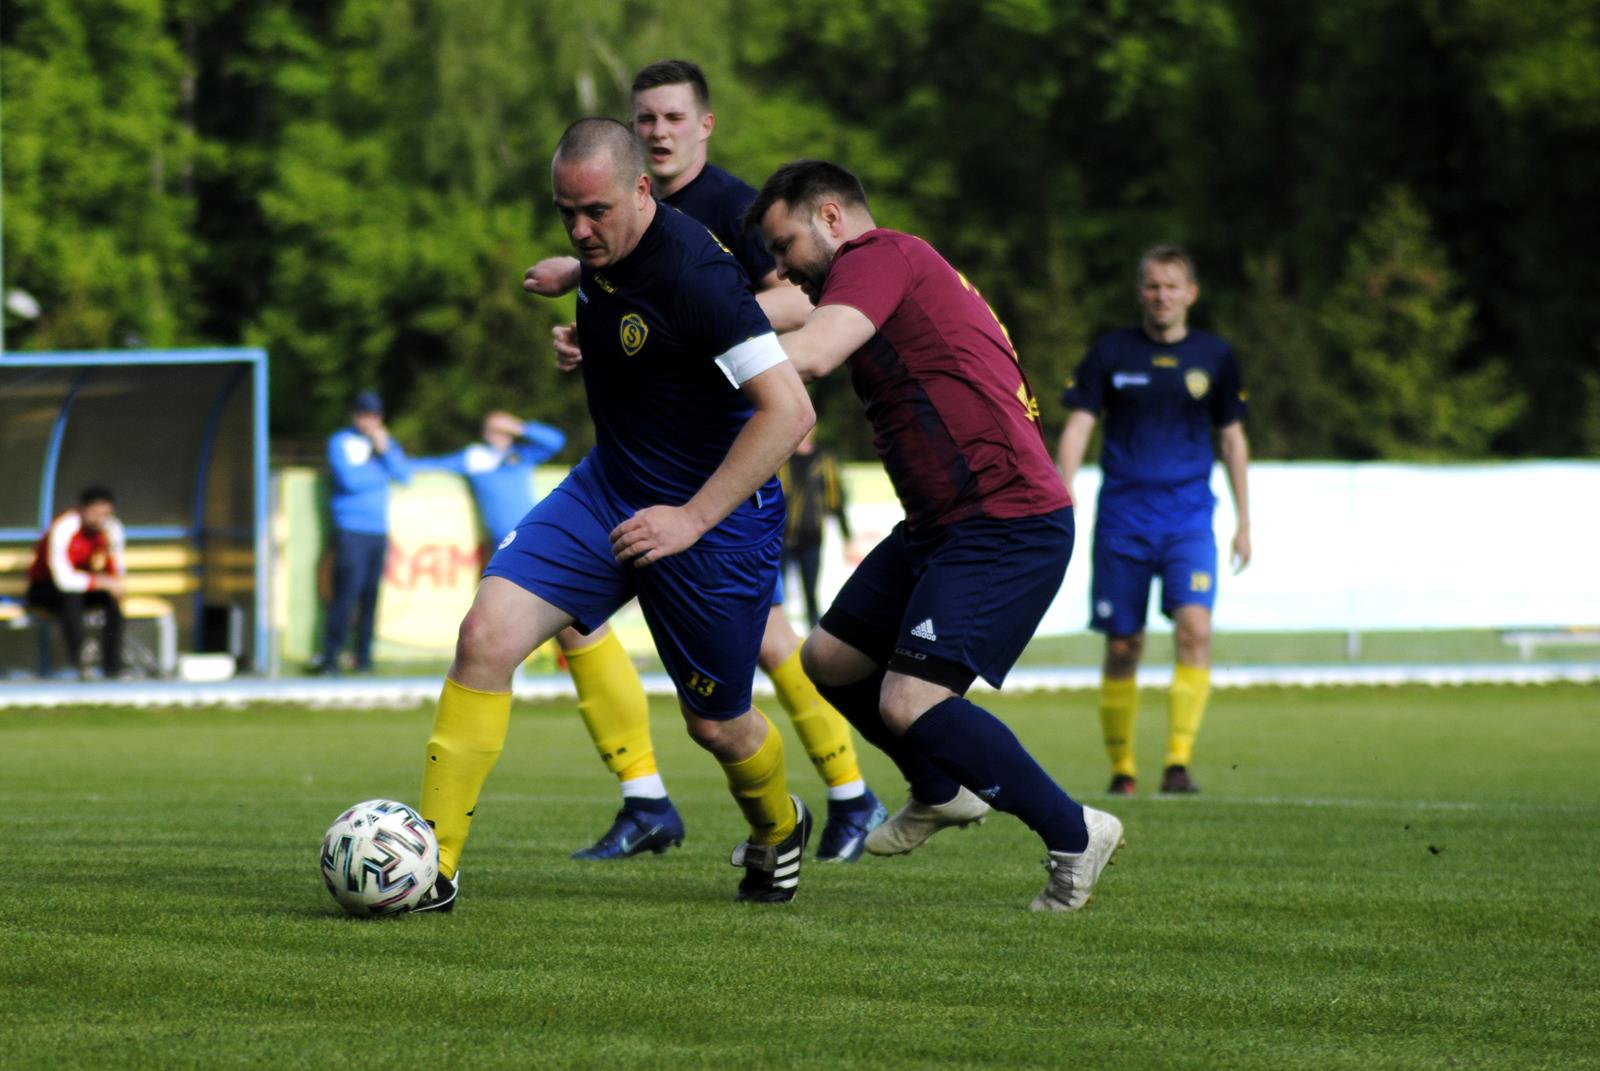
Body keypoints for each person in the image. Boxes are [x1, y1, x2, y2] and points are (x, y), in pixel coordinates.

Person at [415, 118, 815, 912]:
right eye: (566, 212)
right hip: (609, 489)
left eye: (594, 211)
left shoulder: (702, 277)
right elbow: (636, 320)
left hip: (715, 519)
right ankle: (429, 866)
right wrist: (582, 294)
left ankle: (779, 824)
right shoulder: (605, 255)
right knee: (484, 636)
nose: (579, 228)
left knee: (719, 726)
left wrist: (691, 520)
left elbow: (789, 411)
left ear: (642, 192)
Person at [522, 59, 886, 864]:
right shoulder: (617, 213)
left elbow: (805, 299)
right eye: (644, 118)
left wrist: (687, 329)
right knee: (576, 621)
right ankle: (645, 794)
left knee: (767, 642)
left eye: (673, 118)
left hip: (729, 454)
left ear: (705, 125)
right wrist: (604, 317)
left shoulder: (728, 207)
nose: (657, 131)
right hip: (650, 457)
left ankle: (848, 788)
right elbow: (641, 314)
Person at [745, 160, 1124, 912]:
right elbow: (774, 311)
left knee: (909, 699)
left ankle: (1075, 830)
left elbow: (813, 351)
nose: (780, 265)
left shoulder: (880, 255)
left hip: (1004, 516)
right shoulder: (872, 271)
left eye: (785, 244)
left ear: (831, 218)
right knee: (829, 659)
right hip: (943, 522)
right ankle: (940, 788)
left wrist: (690, 375)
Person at [1056, 245, 1251, 796]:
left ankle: (1178, 763)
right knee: (1123, 645)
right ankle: (1123, 770)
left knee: (1196, 630)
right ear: (1140, 291)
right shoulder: (1111, 353)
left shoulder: (1216, 356)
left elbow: (1233, 439)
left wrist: (1245, 520)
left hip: (1189, 518)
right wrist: (1061, 488)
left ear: (1191, 293)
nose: (1161, 296)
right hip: (1123, 518)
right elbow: (1077, 427)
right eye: (1151, 286)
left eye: (1171, 286)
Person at [316, 390, 410, 675]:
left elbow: (404, 475)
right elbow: (350, 481)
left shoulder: (385, 445)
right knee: (346, 595)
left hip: (377, 531)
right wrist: (380, 471)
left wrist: (383, 452)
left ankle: (364, 657)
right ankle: (331, 656)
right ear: (354, 416)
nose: (369, 421)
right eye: (364, 415)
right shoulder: (340, 442)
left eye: (374, 416)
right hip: (351, 530)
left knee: (371, 596)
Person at [411, 410, 567, 548]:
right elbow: (430, 465)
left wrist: (519, 427)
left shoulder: (521, 455)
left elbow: (556, 442)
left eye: (504, 431)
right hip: (503, 540)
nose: (500, 435)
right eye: (494, 430)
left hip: (534, 532)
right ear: (485, 433)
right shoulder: (474, 457)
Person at [26, 486, 126, 679]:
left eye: (105, 513)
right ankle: (81, 664)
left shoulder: (111, 529)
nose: (100, 519)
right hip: (45, 589)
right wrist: (103, 583)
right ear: (83, 510)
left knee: (112, 603)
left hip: (82, 588)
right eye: (95, 513)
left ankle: (113, 668)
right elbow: (63, 580)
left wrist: (113, 584)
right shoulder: (65, 527)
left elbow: (116, 568)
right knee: (72, 599)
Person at [779, 428, 853, 628]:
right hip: (780, 539)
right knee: (776, 596)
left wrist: (847, 536)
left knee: (811, 594)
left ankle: (812, 638)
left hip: (812, 538)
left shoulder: (824, 459)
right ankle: (777, 638)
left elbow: (835, 499)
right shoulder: (781, 456)